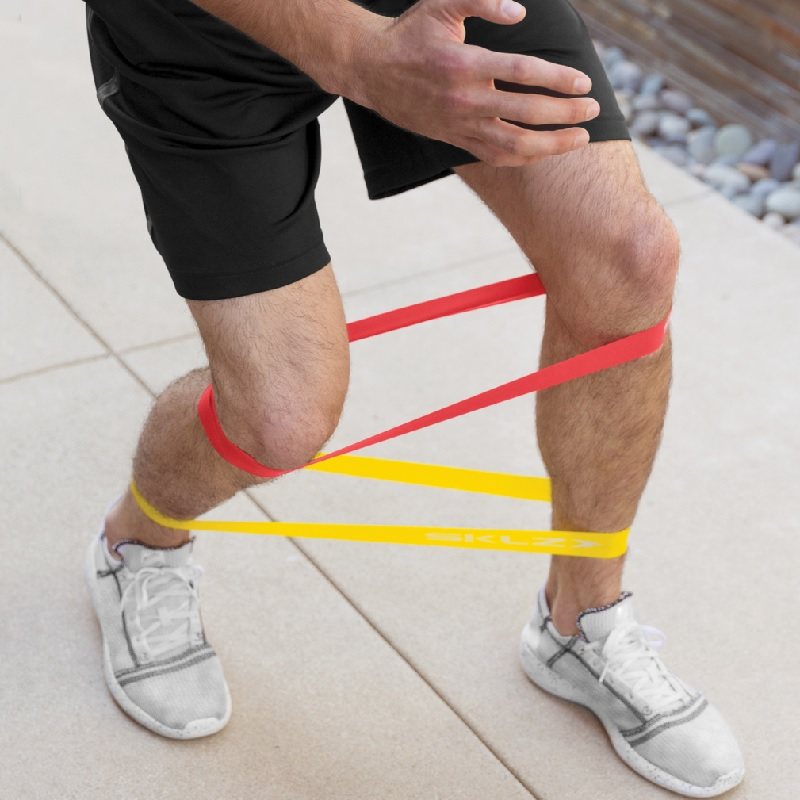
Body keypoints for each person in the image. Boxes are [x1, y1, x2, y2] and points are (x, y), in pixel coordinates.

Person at [82, 0, 744, 795]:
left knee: (627, 261)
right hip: (202, 29)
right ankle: (138, 544)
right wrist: (359, 56)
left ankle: (582, 620)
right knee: (279, 417)